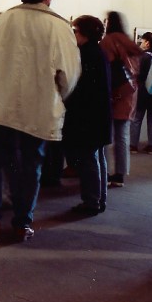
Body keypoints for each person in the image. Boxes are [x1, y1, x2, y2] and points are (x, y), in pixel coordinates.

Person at [0, 0, 81, 242]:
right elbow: (68, 73)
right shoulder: (58, 26)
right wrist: (55, 97)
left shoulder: (4, 20)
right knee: (30, 165)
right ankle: (22, 223)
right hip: (37, 106)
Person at [63, 15, 113, 215]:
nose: (73, 34)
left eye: (75, 31)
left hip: (87, 117)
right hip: (97, 115)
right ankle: (99, 200)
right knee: (97, 157)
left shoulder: (86, 54)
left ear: (84, 33)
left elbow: (81, 89)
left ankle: (92, 202)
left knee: (88, 159)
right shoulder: (98, 52)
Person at [100, 11, 144, 187]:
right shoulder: (129, 42)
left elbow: (106, 66)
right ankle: (120, 174)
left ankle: (103, 172)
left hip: (112, 92)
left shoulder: (108, 41)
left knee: (104, 136)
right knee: (122, 136)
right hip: (129, 92)